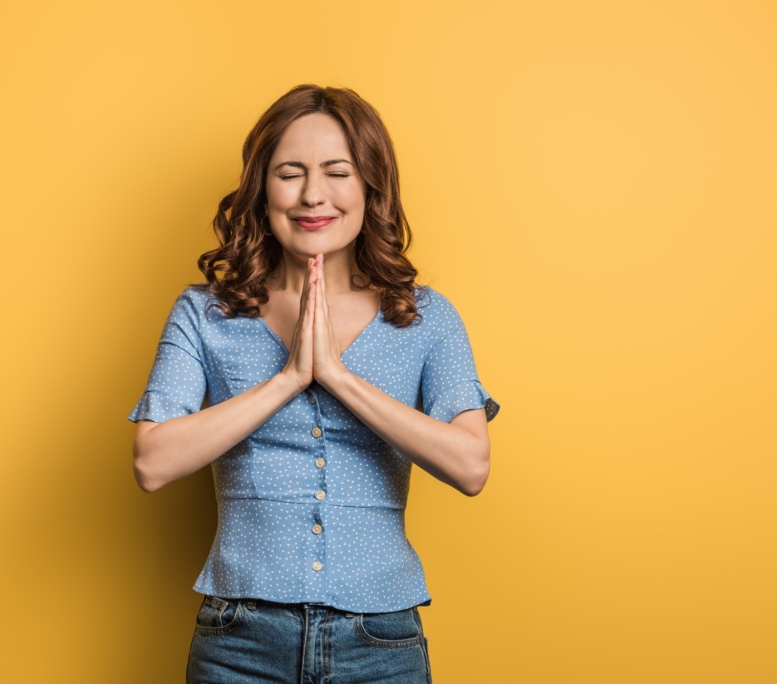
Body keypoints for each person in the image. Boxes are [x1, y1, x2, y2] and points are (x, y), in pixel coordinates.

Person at [128, 84, 499, 684]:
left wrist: (338, 378)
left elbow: (471, 466)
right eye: (289, 173)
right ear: (261, 190)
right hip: (237, 640)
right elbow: (153, 462)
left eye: (336, 172)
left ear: (370, 187)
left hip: (380, 641)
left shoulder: (426, 316)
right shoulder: (204, 313)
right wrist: (289, 379)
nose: (312, 195)